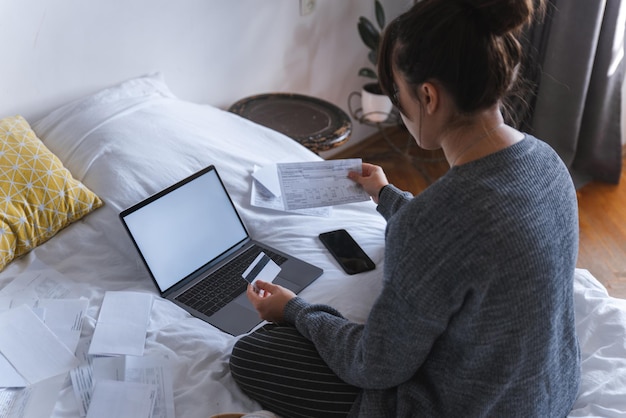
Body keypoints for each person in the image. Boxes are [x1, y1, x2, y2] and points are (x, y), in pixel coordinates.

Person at [230, 0, 581, 416]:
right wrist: (386, 195)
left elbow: (374, 366)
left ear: (428, 96)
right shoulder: (547, 162)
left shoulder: (431, 224)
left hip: (473, 407)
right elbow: (475, 238)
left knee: (251, 353)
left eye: (396, 92)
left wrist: (294, 310)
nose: (397, 104)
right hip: (551, 391)